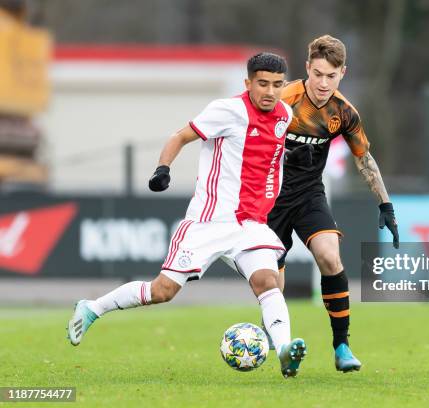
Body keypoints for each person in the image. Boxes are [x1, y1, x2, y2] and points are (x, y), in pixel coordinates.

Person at [67, 53, 308, 378]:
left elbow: (264, 154)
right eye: (262, 84)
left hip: (251, 224)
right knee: (162, 291)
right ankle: (92, 308)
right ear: (248, 83)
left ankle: (284, 351)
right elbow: (179, 136)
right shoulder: (228, 110)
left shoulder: (284, 114)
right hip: (209, 222)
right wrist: (162, 169)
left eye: (277, 85)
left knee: (268, 282)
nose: (270, 91)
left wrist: (291, 156)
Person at [266, 35, 400, 372]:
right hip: (269, 198)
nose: (324, 83)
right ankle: (284, 350)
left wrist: (386, 205)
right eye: (318, 74)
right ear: (307, 68)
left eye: (332, 76)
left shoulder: (344, 112)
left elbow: (364, 159)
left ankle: (342, 346)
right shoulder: (282, 100)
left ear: (343, 73)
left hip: (309, 194)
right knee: (272, 280)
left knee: (329, 255)